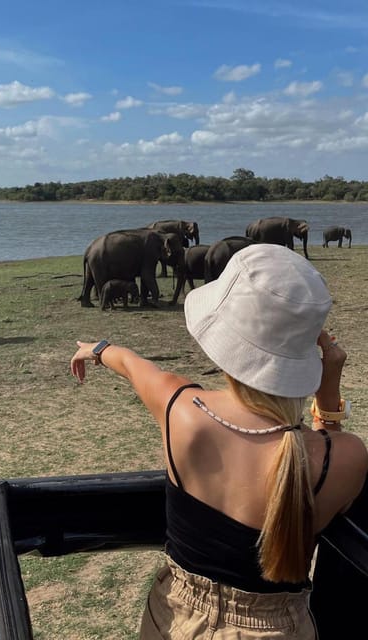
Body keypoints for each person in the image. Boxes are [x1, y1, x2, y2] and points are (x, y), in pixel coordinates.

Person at [70, 243, 368, 640]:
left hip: (174, 619)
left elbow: (129, 363)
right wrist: (327, 394)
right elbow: (326, 451)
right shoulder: (341, 457)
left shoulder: (182, 408)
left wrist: (98, 349)